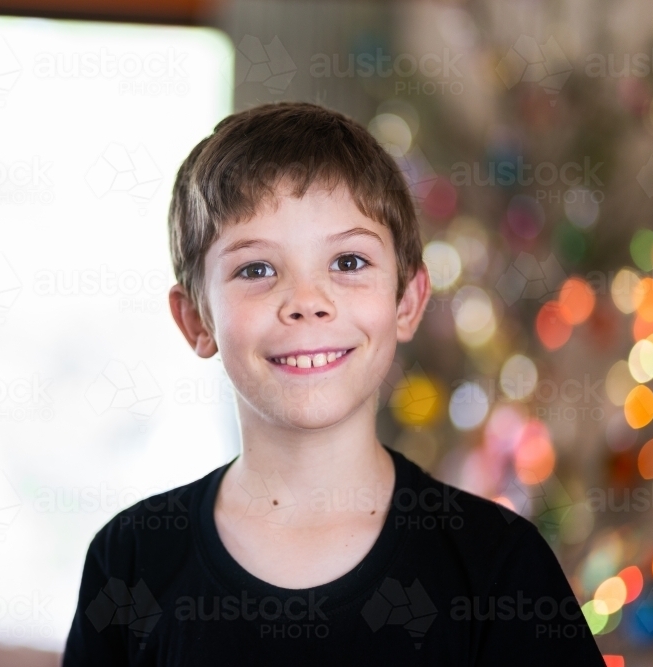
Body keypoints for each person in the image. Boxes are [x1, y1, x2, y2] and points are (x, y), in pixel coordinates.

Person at [62, 102, 605, 665]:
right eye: (256, 269)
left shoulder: (499, 567)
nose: (306, 302)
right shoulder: (129, 561)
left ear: (408, 300)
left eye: (348, 261)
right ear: (197, 320)